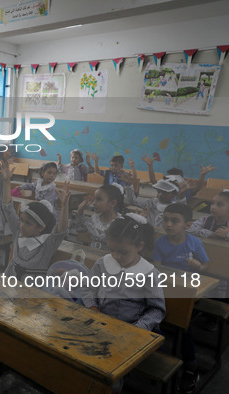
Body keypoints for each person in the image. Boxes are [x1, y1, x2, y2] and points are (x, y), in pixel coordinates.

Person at [0, 160, 71, 390]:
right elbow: (7, 207)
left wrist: (64, 205)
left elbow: (62, 230)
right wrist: (7, 181)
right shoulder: (18, 234)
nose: (21, 225)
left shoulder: (47, 244)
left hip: (32, 296)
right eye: (22, 221)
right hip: (9, 288)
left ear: (41, 228)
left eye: (27, 223)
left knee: (18, 324)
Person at [79, 213, 166, 394]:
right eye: (112, 250)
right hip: (99, 323)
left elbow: (156, 311)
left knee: (110, 373)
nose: (116, 256)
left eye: (123, 252)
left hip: (129, 331)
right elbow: (88, 288)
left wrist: (137, 328)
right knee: (79, 358)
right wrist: (92, 307)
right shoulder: (103, 263)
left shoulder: (149, 273)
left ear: (139, 246)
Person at [153, 203, 208, 392]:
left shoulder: (194, 242)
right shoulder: (160, 242)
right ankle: (154, 357)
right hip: (166, 288)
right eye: (165, 220)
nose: (168, 224)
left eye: (174, 221)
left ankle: (191, 366)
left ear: (187, 225)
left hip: (188, 290)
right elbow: (157, 268)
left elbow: (204, 268)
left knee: (183, 328)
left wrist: (197, 266)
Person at [141, 155, 216, 202]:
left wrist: (202, 175)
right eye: (168, 178)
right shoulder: (164, 188)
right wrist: (150, 166)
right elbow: (153, 180)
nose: (169, 181)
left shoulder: (184, 191)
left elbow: (198, 188)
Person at [76, 183, 125, 251]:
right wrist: (80, 212)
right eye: (95, 199)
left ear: (112, 203)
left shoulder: (120, 224)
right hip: (92, 256)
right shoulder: (94, 219)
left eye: (99, 200)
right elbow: (81, 230)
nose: (94, 203)